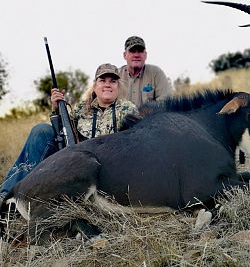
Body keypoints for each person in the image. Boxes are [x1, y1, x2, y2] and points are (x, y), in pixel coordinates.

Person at [0, 63, 138, 206]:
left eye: (113, 81)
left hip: (107, 170)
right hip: (75, 164)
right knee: (41, 131)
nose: (107, 85)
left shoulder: (129, 109)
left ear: (118, 86)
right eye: (102, 80)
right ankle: (6, 195)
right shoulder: (80, 109)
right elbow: (62, 133)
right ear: (95, 85)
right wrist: (56, 109)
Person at [118, 36, 172, 107]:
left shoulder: (156, 73)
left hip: (150, 117)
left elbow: (166, 101)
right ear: (125, 55)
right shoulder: (116, 76)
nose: (136, 55)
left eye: (140, 51)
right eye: (132, 51)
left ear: (145, 55)